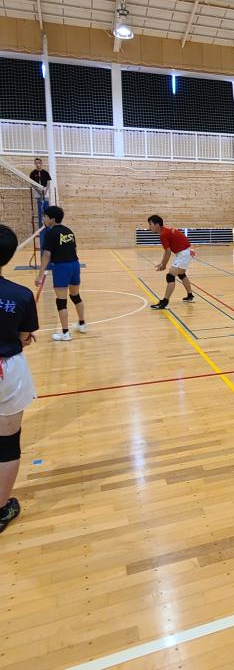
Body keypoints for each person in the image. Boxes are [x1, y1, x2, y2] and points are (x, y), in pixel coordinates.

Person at [0, 225, 39, 533]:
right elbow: (25, 337)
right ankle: (1, 508)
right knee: (7, 443)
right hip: (7, 371)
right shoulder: (21, 295)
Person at [35, 206, 86, 341]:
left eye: (45, 217)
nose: (43, 219)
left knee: (61, 302)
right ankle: (82, 324)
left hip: (62, 267)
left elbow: (46, 254)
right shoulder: (69, 231)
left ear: (52, 219)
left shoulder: (50, 233)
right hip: (75, 265)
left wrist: (40, 275)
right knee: (75, 296)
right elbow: (75, 249)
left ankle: (65, 333)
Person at [147, 215, 195, 309]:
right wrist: (162, 263)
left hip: (184, 253)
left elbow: (168, 252)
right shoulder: (165, 231)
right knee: (181, 274)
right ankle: (190, 296)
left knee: (170, 275)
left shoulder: (163, 234)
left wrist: (164, 265)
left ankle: (165, 302)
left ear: (157, 225)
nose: (149, 227)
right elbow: (167, 251)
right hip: (186, 251)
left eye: (150, 224)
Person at [29, 158, 51, 229]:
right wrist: (38, 191)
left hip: (45, 191)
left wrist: (46, 191)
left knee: (47, 210)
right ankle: (41, 227)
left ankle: (48, 226)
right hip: (37, 191)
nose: (38, 164)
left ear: (41, 164)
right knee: (40, 210)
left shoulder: (45, 172)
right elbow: (32, 183)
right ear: (34, 164)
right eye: (36, 163)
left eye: (39, 163)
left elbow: (48, 182)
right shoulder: (33, 173)